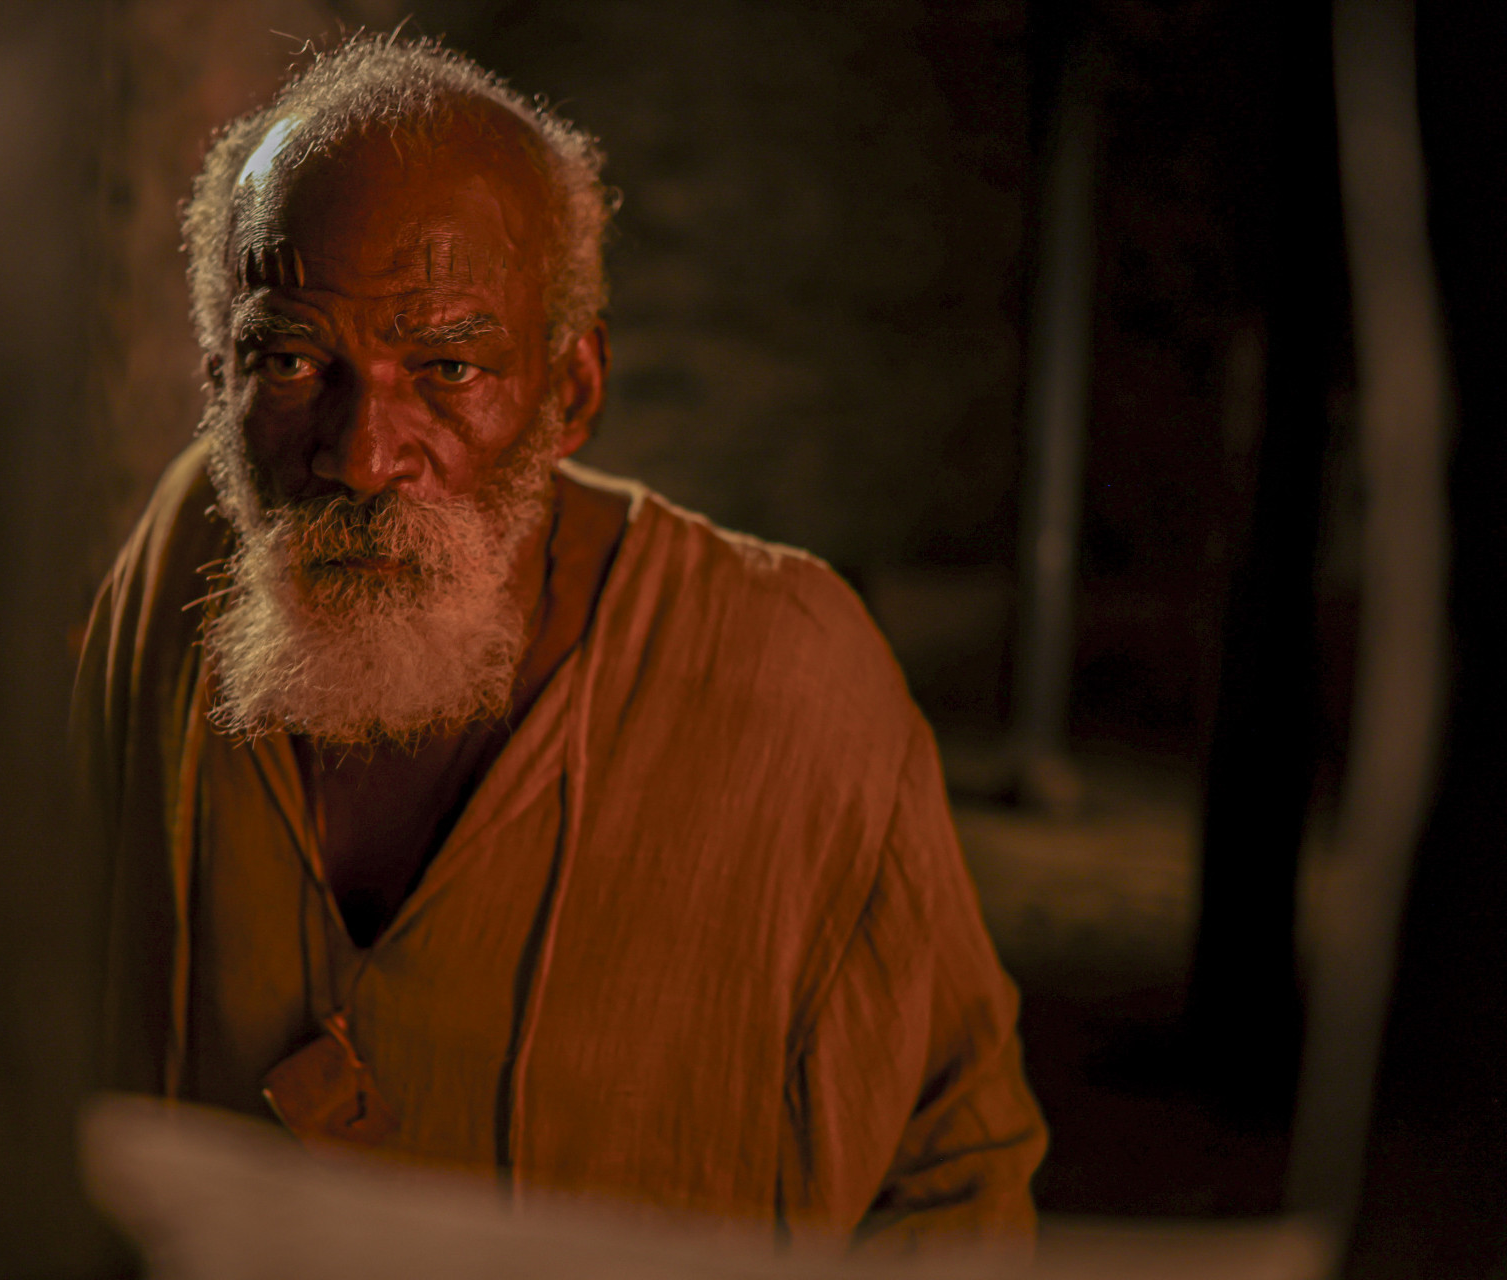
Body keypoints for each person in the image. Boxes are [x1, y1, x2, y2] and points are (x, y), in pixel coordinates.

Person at [73, 32, 1045, 1253]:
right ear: (217, 379)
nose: (364, 455)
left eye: (447, 365)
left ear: (569, 390)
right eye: (292, 358)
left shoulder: (790, 678)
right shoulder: (182, 569)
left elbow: (957, 1170)